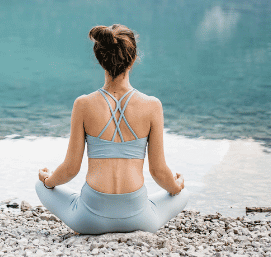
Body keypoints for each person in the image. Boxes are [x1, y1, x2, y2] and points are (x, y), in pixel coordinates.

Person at [35, 24, 188, 234]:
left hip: (88, 219)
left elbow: (71, 169)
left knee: (40, 186)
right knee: (182, 193)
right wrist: (176, 187)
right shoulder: (153, 106)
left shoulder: (83, 104)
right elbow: (158, 172)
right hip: (139, 218)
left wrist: (48, 180)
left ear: (100, 60)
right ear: (133, 59)